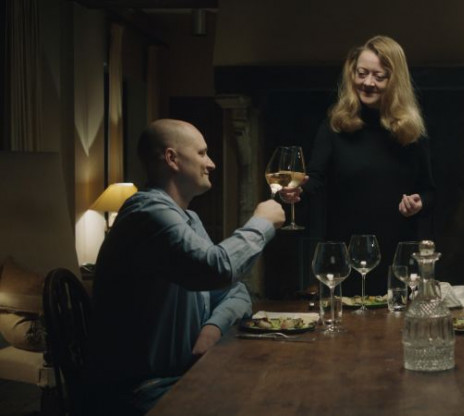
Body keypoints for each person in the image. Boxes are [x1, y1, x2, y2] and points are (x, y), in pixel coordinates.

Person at [84, 119, 285, 415]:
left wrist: (212, 328)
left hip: (181, 376)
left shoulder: (187, 218)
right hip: (141, 391)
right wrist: (262, 223)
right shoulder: (148, 213)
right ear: (172, 158)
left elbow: (234, 289)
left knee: (272, 388)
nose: (211, 163)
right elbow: (215, 269)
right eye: (202, 153)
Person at [285, 35, 435, 296]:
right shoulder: (334, 125)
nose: (368, 83)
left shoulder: (411, 132)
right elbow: (315, 179)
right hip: (344, 257)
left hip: (397, 259)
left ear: (395, 80)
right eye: (361, 73)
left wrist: (419, 202)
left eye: (379, 76)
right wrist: (297, 192)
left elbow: (430, 191)